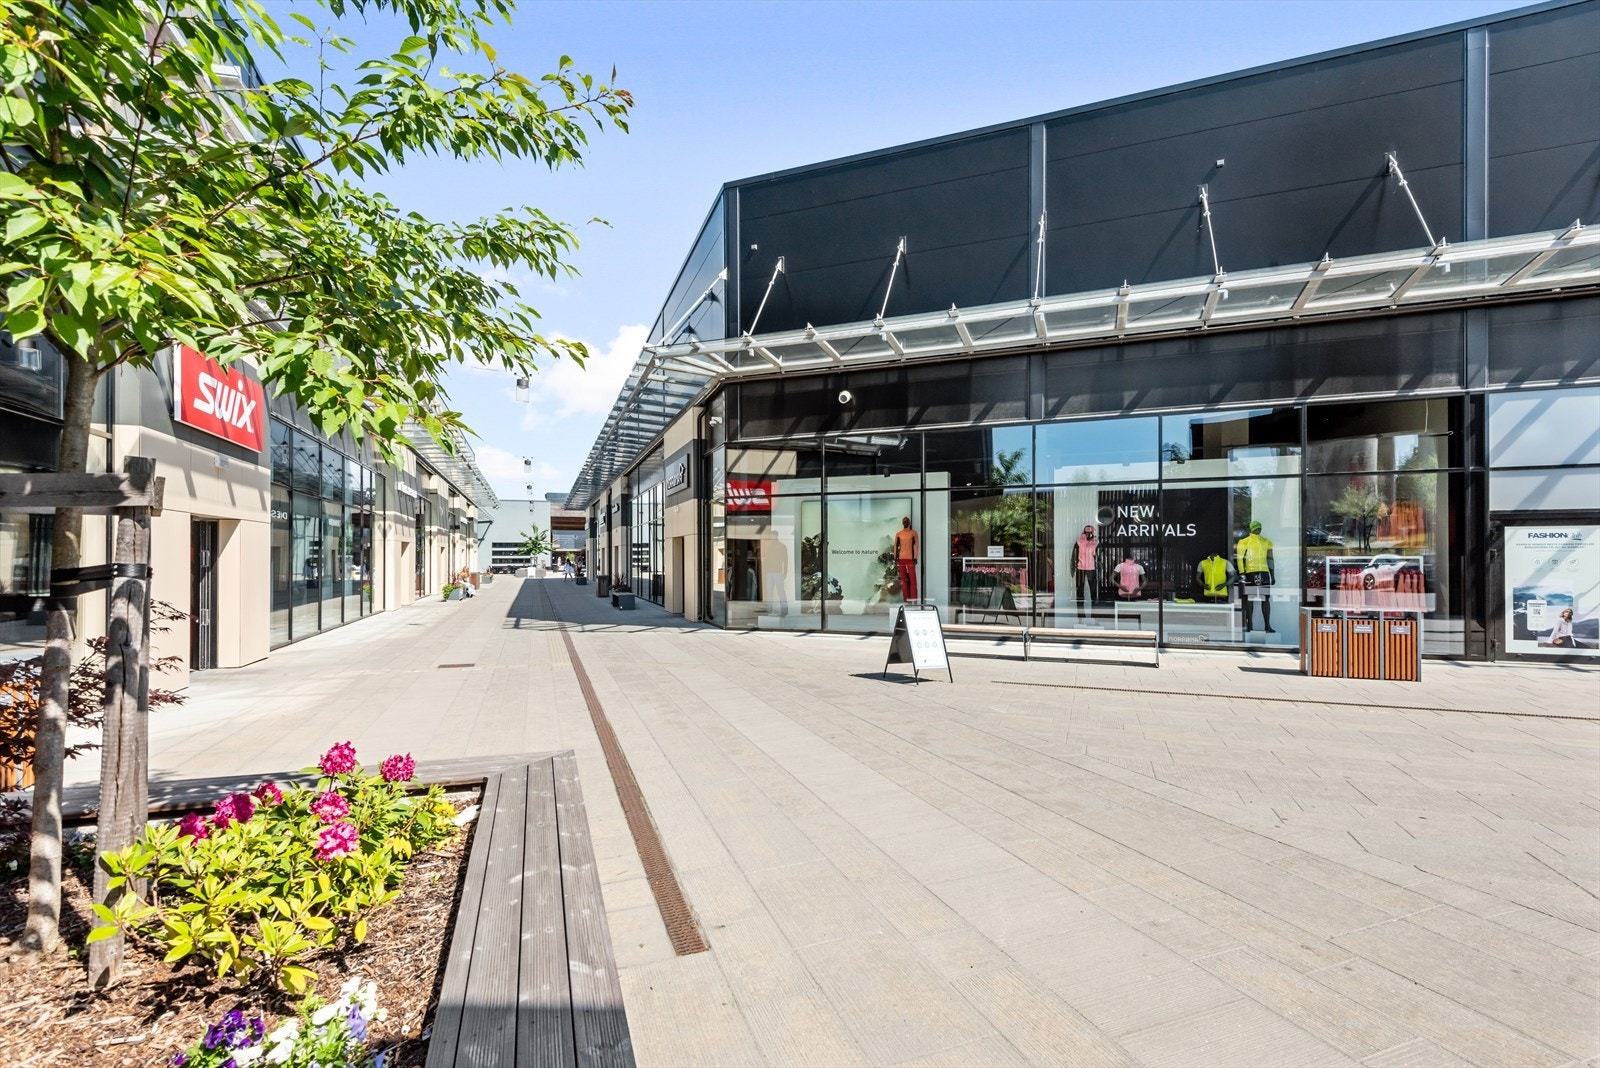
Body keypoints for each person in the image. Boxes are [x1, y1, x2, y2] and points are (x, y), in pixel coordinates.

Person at [1235, 520, 1275, 632]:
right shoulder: (1244, 542)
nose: (1258, 530)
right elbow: (1240, 559)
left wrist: (1272, 574)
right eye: (1256, 528)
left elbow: (1270, 559)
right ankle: (1250, 625)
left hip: (1262, 572)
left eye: (1259, 528)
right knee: (1251, 598)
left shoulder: (1266, 542)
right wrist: (1242, 573)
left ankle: (1266, 625)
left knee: (1264, 599)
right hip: (1252, 572)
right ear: (1251, 529)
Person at [1072, 524, 1100, 617]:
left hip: (1091, 569)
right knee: (1080, 592)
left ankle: (1094, 616)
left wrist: (1099, 571)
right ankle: (1080, 616)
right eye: (1087, 532)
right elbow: (1074, 557)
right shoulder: (1078, 543)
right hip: (1080, 568)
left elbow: (1099, 558)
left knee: (1093, 592)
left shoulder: (1096, 543)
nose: (1088, 534)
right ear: (1084, 532)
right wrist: (1073, 569)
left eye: (1090, 532)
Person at [893, 516, 919, 602]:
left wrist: (915, 557)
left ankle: (913, 599)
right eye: (904, 521)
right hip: (903, 559)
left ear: (909, 523)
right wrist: (895, 558)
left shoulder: (913, 533)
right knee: (904, 580)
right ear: (903, 523)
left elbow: (916, 545)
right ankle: (907, 599)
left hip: (909, 558)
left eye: (906, 521)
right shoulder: (899, 534)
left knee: (912, 579)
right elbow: (895, 546)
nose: (905, 522)